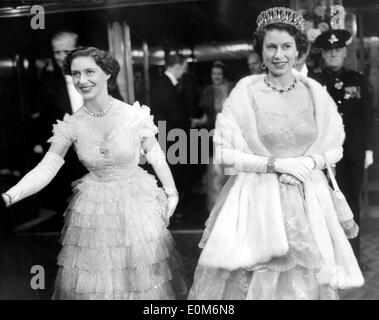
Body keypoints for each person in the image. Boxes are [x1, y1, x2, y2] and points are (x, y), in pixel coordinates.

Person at [188, 7, 363, 300]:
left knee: (308, 278)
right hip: (258, 196)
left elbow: (335, 146)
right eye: (271, 47)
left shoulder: (314, 91)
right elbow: (225, 152)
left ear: (299, 51)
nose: (278, 55)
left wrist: (309, 163)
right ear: (261, 51)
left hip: (309, 197)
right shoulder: (246, 91)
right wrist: (276, 164)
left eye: (286, 46)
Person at [1, 47, 187, 300]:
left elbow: (155, 155)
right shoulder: (72, 124)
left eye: (90, 72)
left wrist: (171, 192)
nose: (82, 80)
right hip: (93, 211)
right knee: (98, 285)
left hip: (136, 205)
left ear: (108, 74)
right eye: (76, 74)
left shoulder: (133, 114)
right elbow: (46, 168)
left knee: (140, 282)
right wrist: (9, 196)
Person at [311, 29, 375, 261]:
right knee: (326, 204)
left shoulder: (357, 79)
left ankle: (353, 257)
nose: (333, 54)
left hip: (353, 153)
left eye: (337, 50)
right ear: (323, 54)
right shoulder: (315, 82)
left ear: (344, 51)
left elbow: (368, 116)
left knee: (351, 202)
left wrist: (369, 149)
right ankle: (332, 257)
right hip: (325, 154)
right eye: (329, 51)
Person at [150, 53, 189, 222]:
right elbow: (173, 113)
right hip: (169, 136)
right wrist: (189, 122)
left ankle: (172, 211)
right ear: (177, 66)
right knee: (171, 174)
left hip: (171, 135)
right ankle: (170, 213)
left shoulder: (167, 83)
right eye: (184, 68)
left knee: (174, 173)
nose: (184, 72)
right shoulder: (163, 84)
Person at [192, 61, 234, 212]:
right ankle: (215, 210)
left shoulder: (232, 88)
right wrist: (197, 121)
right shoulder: (208, 91)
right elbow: (205, 117)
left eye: (218, 74)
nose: (215, 77)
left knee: (230, 171)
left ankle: (231, 209)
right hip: (214, 135)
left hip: (231, 136)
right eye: (213, 74)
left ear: (224, 75)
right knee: (215, 172)